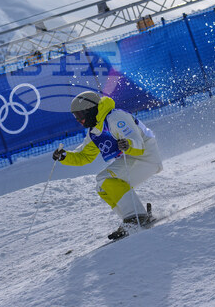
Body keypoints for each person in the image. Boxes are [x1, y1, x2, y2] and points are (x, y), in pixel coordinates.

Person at [53, 91, 163, 239]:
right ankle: (131, 219)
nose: (79, 120)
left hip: (145, 157)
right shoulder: (95, 130)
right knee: (101, 186)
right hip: (131, 158)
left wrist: (128, 144)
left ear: (90, 110)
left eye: (80, 115)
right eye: (76, 117)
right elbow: (84, 156)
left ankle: (136, 216)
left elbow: (138, 142)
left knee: (104, 178)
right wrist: (64, 156)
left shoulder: (115, 117)